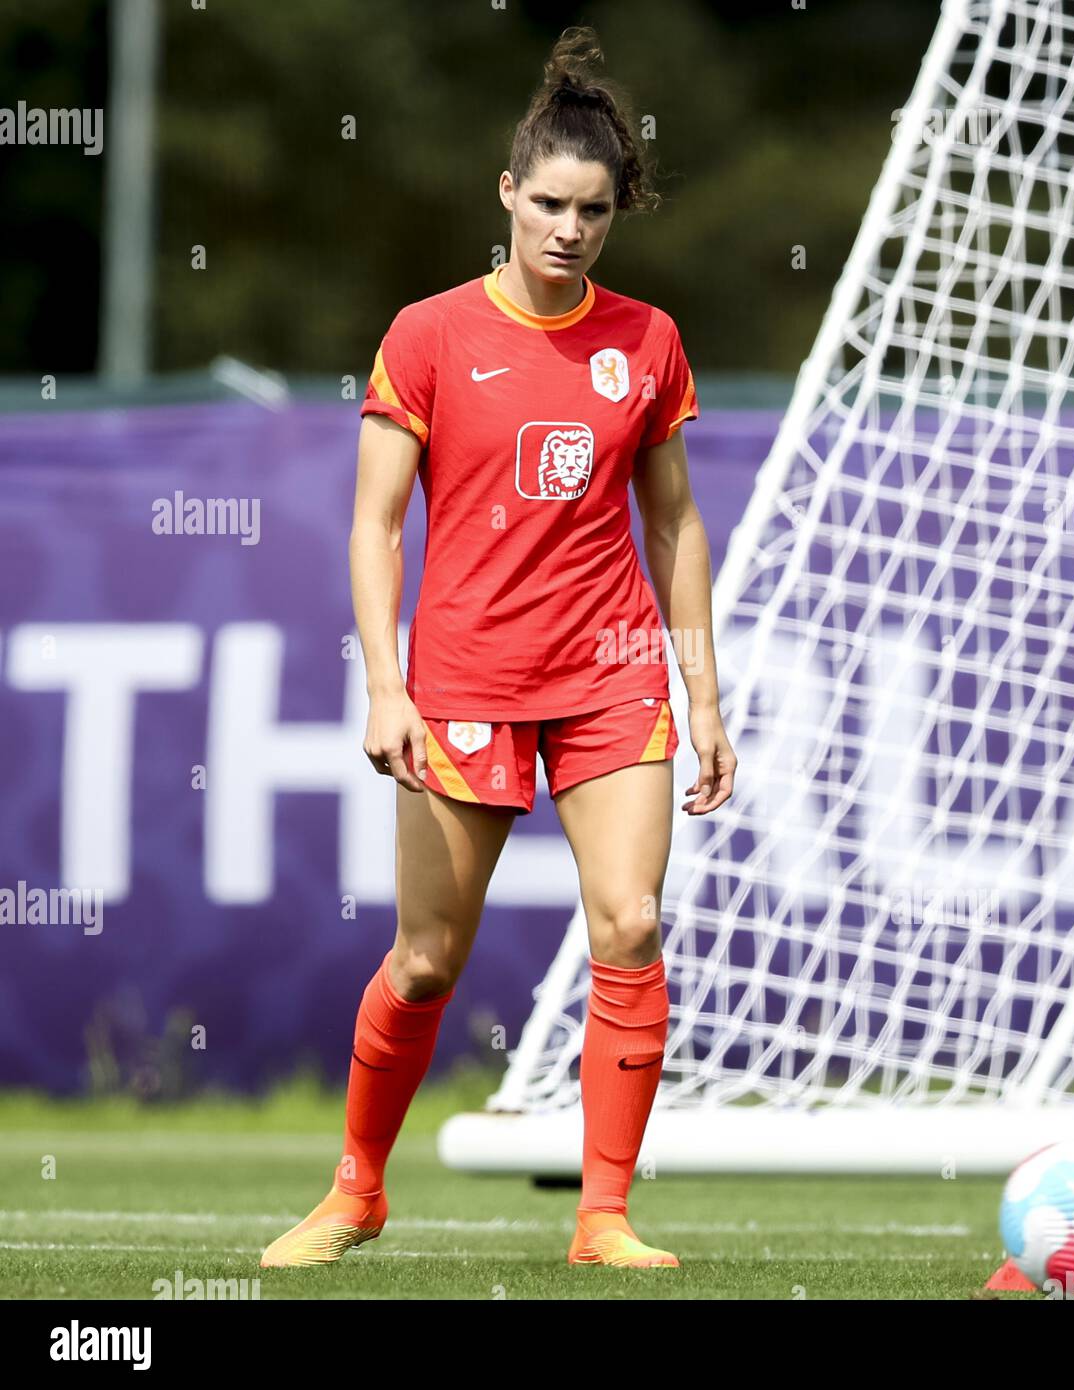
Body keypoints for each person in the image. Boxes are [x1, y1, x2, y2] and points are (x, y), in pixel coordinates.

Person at [261, 25, 735, 1272]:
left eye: (593, 210)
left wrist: (702, 688)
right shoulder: (425, 336)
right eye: (549, 204)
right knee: (426, 958)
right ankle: (357, 1190)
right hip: (463, 680)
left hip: (611, 672)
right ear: (507, 194)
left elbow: (675, 519)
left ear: (613, 211)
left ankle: (603, 1217)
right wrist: (388, 685)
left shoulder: (648, 342)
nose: (569, 230)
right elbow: (371, 522)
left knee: (630, 922)